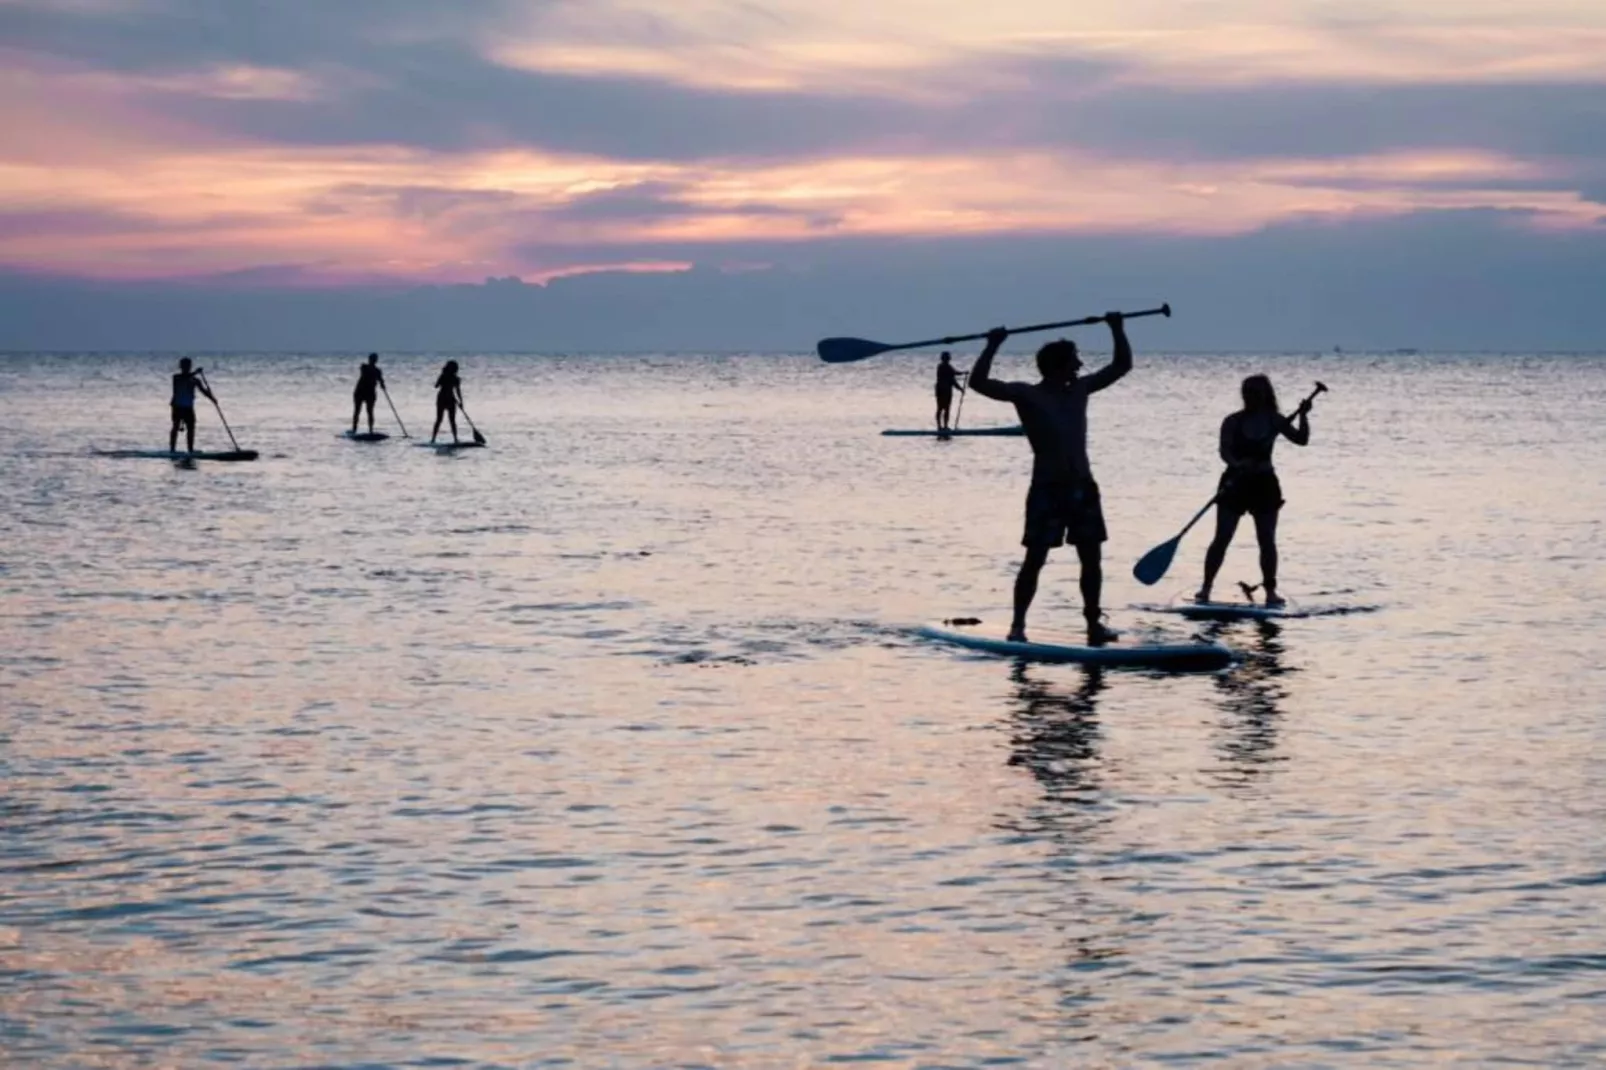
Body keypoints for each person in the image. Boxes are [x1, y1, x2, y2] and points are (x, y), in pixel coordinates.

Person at [968, 313, 1132, 646]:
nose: (1079, 366)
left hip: (1083, 487)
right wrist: (992, 346)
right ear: (1058, 366)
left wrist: (1117, 329)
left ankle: (1093, 625)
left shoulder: (1081, 390)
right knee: (1035, 558)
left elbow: (1121, 366)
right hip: (1048, 488)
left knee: (1091, 559)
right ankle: (1017, 626)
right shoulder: (1027, 395)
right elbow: (979, 383)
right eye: (1074, 361)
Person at [1194, 375, 1312, 607]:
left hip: (1264, 484)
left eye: (1256, 392)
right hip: (1235, 484)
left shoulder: (1275, 421)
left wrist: (1305, 416)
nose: (1251, 396)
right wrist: (1237, 464)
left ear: (1266, 394)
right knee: (1222, 538)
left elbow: (1301, 439)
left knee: (1266, 539)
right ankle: (1206, 588)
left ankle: (1270, 592)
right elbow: (1224, 451)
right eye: (1248, 391)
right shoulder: (1232, 421)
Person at [169, 357, 214, 454]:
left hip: (188, 407)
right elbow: (185, 379)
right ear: (181, 367)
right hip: (177, 406)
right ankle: (172, 450)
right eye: (184, 366)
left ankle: (190, 450)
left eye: (188, 366)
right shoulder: (176, 377)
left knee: (191, 428)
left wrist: (212, 398)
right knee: (176, 427)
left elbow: (203, 391)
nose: (187, 367)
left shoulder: (195, 380)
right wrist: (196, 372)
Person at [352, 353, 386, 434]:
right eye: (372, 359)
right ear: (369, 360)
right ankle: (354, 429)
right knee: (357, 411)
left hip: (370, 393)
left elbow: (381, 381)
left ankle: (371, 430)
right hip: (360, 392)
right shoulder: (364, 367)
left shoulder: (377, 371)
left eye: (374, 359)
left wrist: (382, 385)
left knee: (370, 412)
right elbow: (363, 370)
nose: (373, 361)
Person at [431, 360, 463, 444]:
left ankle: (434, 439)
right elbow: (458, 391)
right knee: (449, 420)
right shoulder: (455, 379)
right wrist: (460, 402)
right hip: (445, 399)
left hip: (447, 399)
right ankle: (455, 439)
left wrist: (460, 402)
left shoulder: (445, 376)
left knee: (441, 420)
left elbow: (436, 386)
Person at [935, 351, 965, 432]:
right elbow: (954, 375)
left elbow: (953, 380)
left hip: (946, 390)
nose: (947, 359)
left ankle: (945, 426)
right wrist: (963, 373)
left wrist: (960, 389)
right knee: (941, 408)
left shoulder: (948, 367)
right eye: (946, 357)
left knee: (946, 409)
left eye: (948, 357)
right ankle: (940, 427)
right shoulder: (942, 367)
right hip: (942, 390)